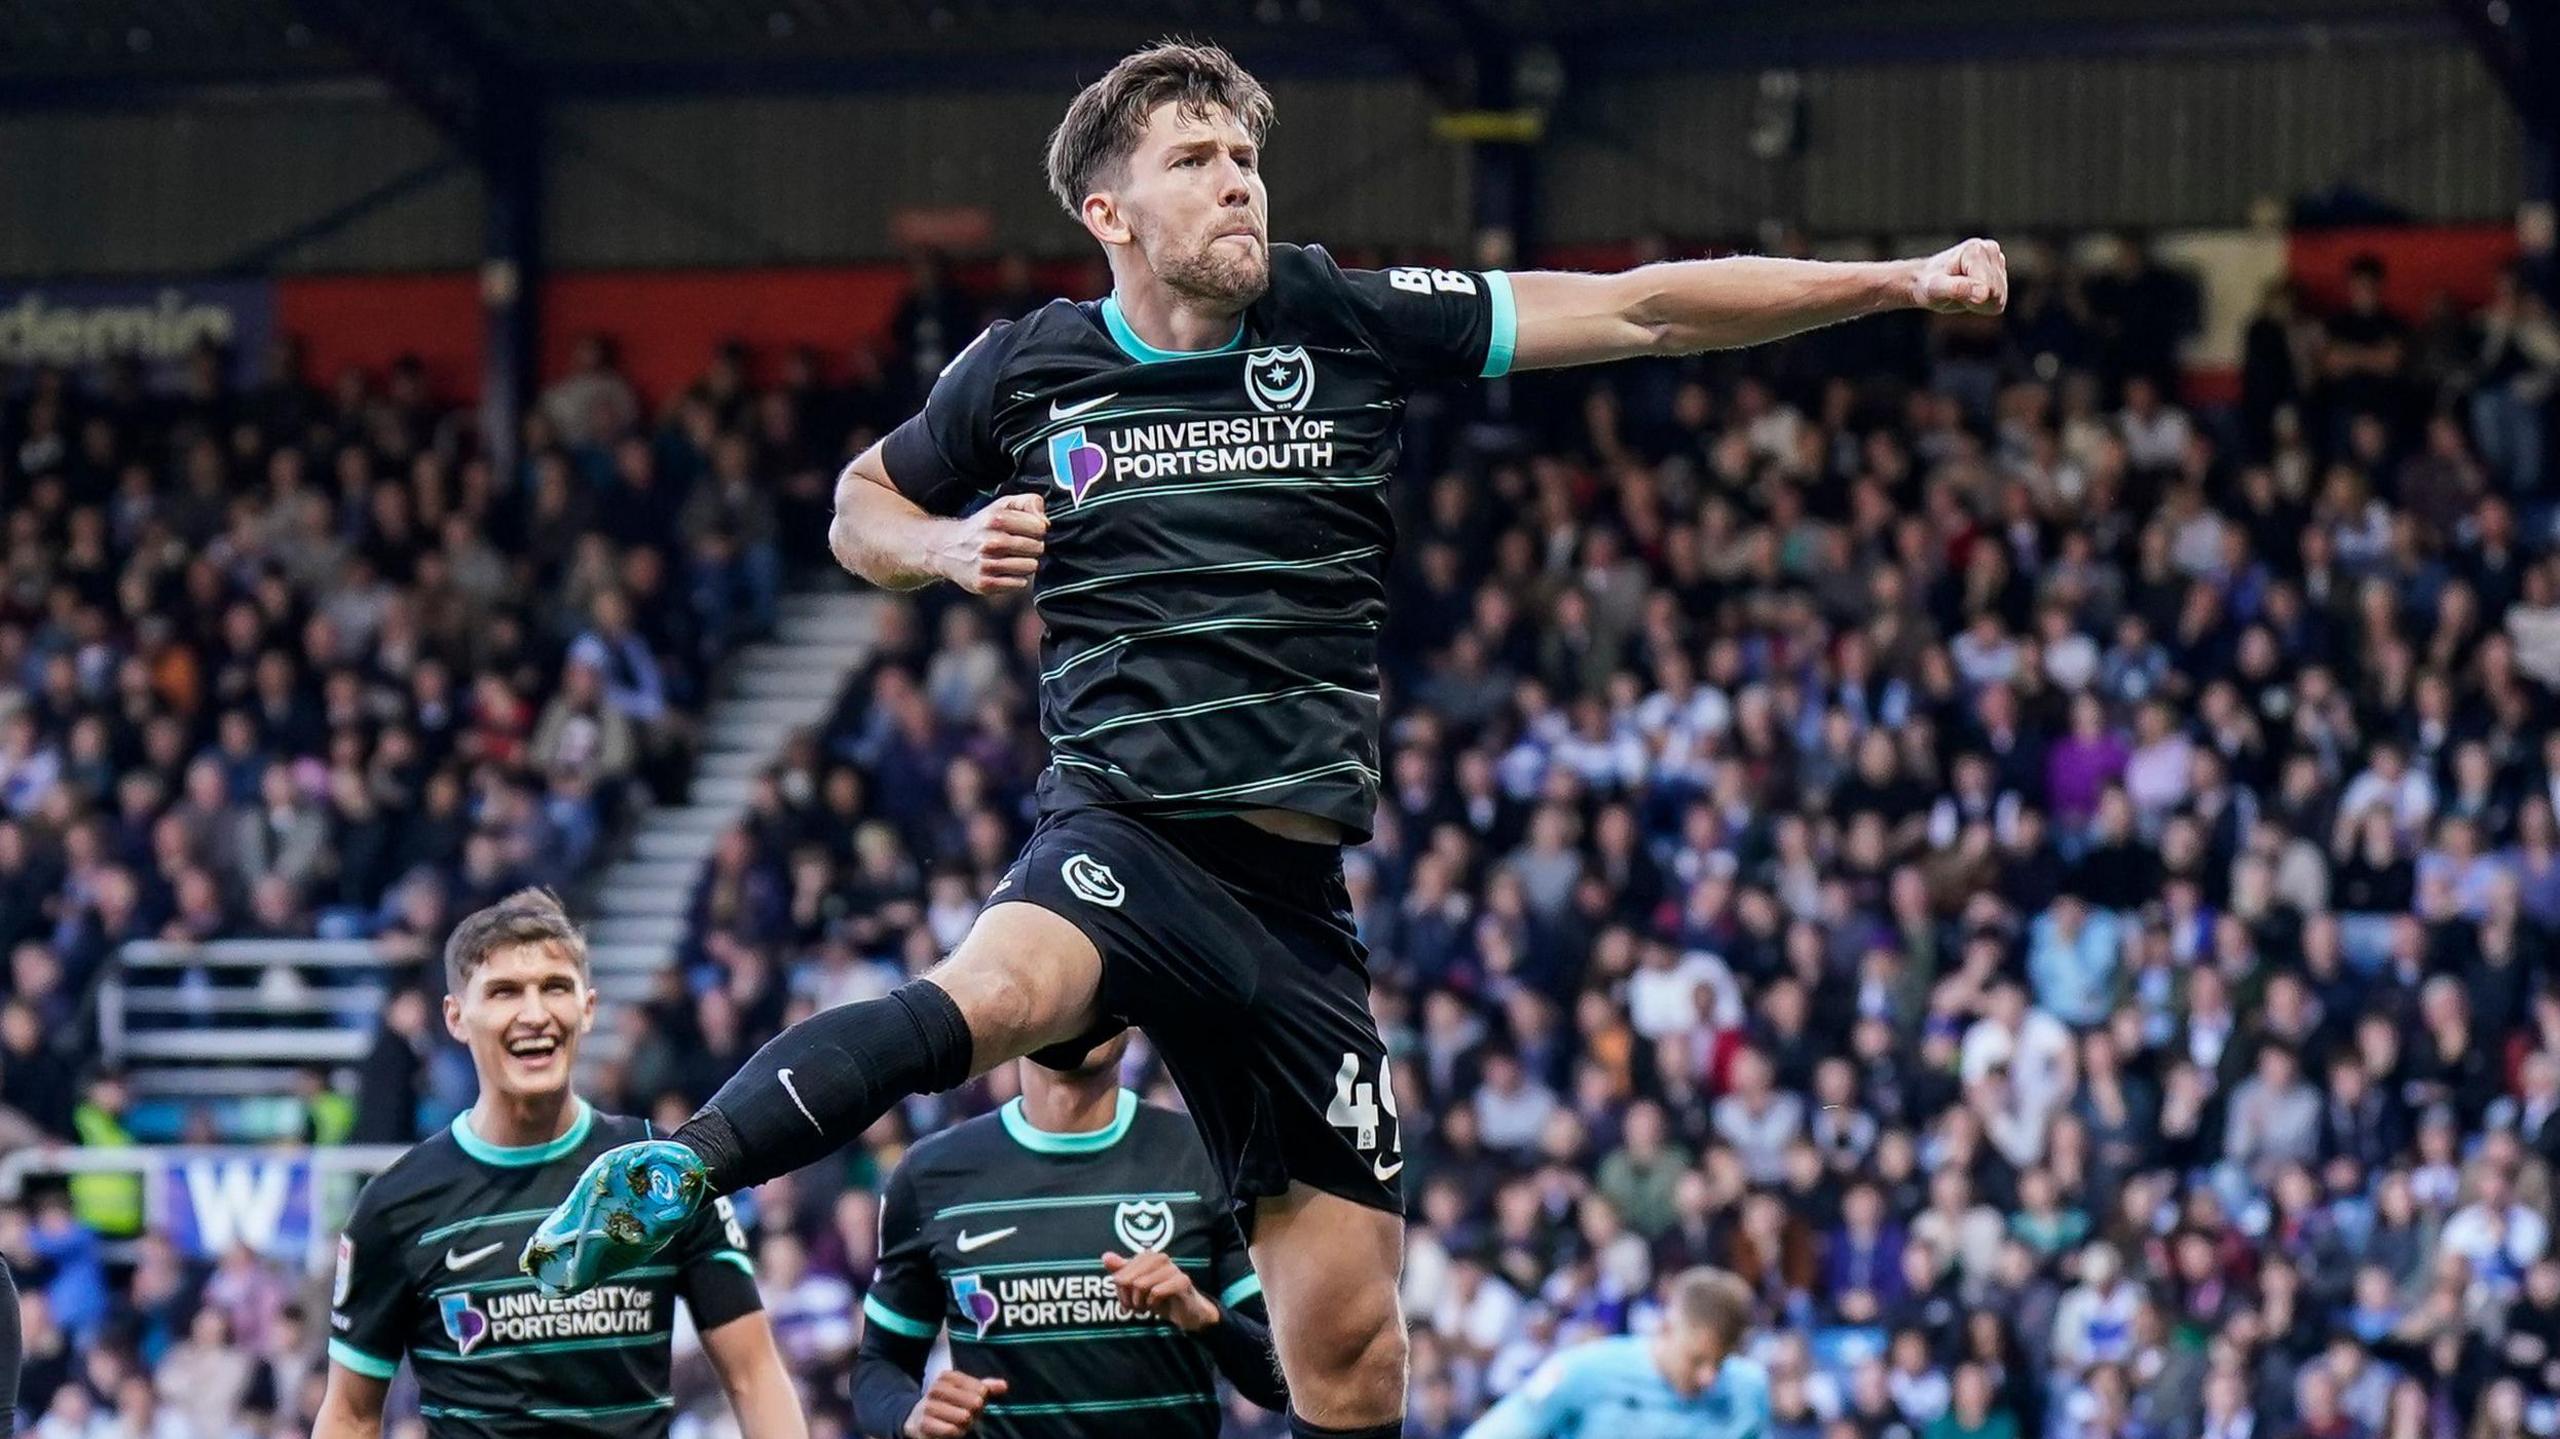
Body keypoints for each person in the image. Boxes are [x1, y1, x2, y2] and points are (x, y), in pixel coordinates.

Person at [522, 40, 2007, 1439]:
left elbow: (1639, 307)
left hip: (1296, 909)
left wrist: (1891, 280)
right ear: (1109, 209)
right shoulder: (1025, 368)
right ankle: (679, 1163)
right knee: (996, 986)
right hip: (1123, 832)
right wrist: (943, 545)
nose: (1240, 178)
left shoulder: (1338, 316)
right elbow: (858, 503)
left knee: (1354, 1360)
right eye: (1196, 157)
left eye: (1245, 154)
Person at [313, 889, 805, 1438]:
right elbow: (350, 1415)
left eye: (554, 988)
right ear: (455, 1017)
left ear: (588, 1008)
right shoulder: (396, 1204)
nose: (534, 1014)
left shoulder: (661, 1172)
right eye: (503, 992)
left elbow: (754, 1374)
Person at [849, 1029, 1285, 1437]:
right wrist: (909, 1415)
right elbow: (880, 1364)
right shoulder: (929, 1175)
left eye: (1099, 991)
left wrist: (1205, 1317)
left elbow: (1284, 1376)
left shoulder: (1207, 1158)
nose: (1083, 1011)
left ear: (1131, 1018)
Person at [1456, 1267, 1769, 1438]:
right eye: (1697, 1360)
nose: (1708, 1377)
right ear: (1666, 1328)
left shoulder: (1747, 1392)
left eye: (1721, 1362)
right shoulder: (1585, 1371)